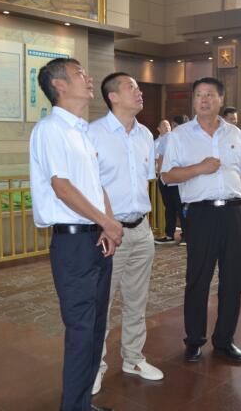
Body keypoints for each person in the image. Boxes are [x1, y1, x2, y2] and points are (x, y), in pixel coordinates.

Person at [29, 58, 122, 411]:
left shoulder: (81, 131)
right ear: (59, 85)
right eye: (80, 74)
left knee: (96, 327)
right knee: (82, 330)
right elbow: (62, 187)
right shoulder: (51, 129)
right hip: (73, 242)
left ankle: (82, 403)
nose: (89, 79)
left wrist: (107, 223)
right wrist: (106, 223)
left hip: (95, 236)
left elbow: (96, 186)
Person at [161, 77, 241, 363]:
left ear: (220, 99)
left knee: (232, 279)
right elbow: (167, 176)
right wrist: (199, 168)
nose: (203, 99)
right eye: (199, 94)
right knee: (198, 278)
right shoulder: (179, 135)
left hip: (234, 212)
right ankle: (194, 340)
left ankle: (225, 340)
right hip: (201, 214)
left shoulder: (234, 133)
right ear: (194, 100)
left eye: (209, 94)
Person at [87, 73, 164, 396]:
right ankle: (94, 367)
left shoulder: (145, 134)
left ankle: (133, 358)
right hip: (108, 231)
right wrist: (105, 223)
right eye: (131, 87)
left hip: (141, 229)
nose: (139, 92)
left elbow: (145, 180)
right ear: (113, 96)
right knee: (101, 304)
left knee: (137, 300)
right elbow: (88, 186)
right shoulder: (94, 134)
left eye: (139, 87)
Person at [154, 116, 187, 246]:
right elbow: (160, 158)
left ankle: (177, 235)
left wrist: (162, 176)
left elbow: (160, 158)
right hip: (174, 179)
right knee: (175, 208)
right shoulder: (169, 137)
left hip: (175, 180)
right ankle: (174, 235)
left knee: (176, 208)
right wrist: (162, 176)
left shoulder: (175, 137)